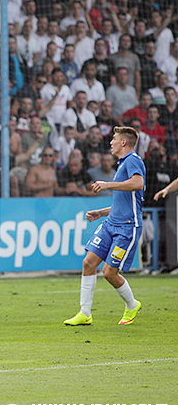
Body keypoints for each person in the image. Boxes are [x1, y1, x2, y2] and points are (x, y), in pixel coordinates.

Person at [64, 126, 144, 326]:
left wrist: (108, 185)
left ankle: (132, 305)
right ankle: (85, 313)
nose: (111, 142)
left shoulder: (133, 160)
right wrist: (101, 212)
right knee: (88, 263)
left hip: (126, 228)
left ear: (123, 142)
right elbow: (124, 201)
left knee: (109, 272)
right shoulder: (122, 164)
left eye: (114, 139)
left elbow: (138, 184)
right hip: (111, 224)